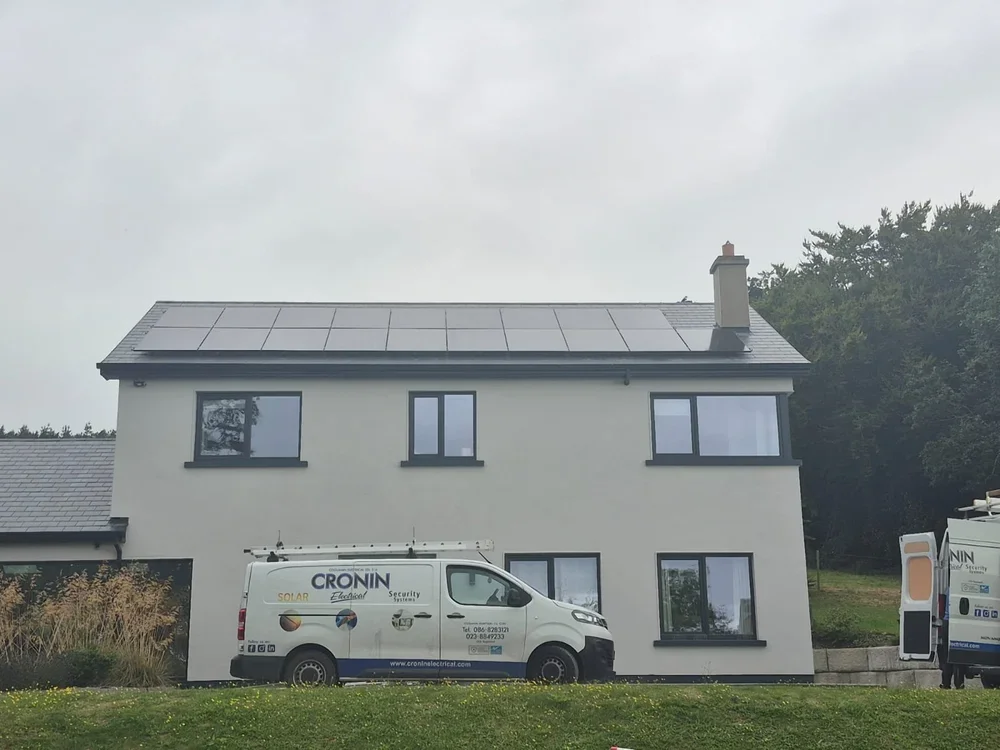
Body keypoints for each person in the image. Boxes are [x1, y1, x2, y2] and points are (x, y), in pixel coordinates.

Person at [939, 586, 966, 689]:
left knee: (947, 654)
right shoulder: (961, 587)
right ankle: (959, 683)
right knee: (958, 653)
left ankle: (945, 683)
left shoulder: (948, 589)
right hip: (958, 622)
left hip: (947, 621)